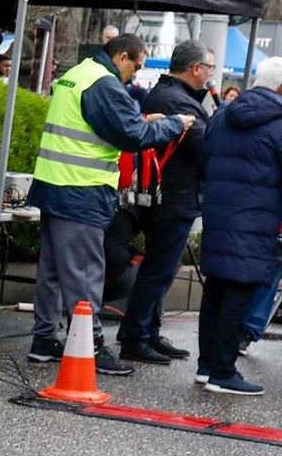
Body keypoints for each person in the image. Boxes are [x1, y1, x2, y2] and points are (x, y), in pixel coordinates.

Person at [26, 34, 190, 374]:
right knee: (85, 273)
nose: (135, 74)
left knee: (53, 271)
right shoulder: (104, 84)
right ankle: (92, 347)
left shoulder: (79, 73)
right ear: (123, 57)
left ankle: (44, 340)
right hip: (81, 190)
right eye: (137, 66)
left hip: (55, 183)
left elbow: (96, 125)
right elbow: (133, 136)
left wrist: (144, 121)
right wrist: (173, 125)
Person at [116, 39, 212, 364]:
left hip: (165, 194)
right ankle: (136, 336)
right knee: (159, 269)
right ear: (196, 68)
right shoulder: (176, 100)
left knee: (161, 269)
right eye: (210, 68)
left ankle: (148, 332)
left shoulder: (169, 94)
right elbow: (202, 146)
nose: (212, 74)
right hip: (171, 197)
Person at [195, 56, 282, 394]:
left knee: (215, 289)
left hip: (219, 215)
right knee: (239, 292)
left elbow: (205, 160)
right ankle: (223, 371)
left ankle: (206, 367)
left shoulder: (222, 115)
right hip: (257, 220)